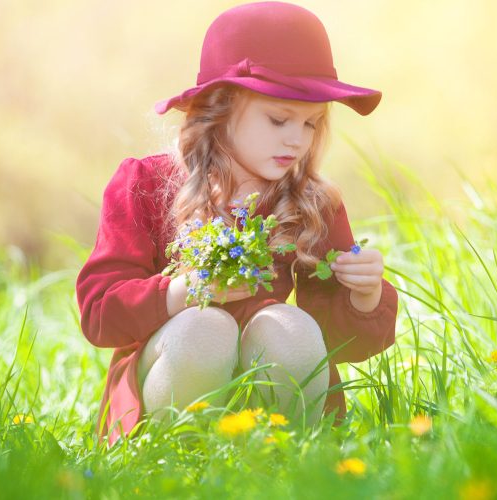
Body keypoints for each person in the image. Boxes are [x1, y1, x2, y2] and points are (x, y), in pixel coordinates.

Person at [76, 1, 399, 446]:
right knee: (207, 329)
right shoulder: (147, 183)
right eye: (279, 119)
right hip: (170, 383)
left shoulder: (313, 201)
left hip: (267, 399)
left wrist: (364, 295)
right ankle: (173, 459)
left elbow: (340, 342)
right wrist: (185, 291)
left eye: (311, 123)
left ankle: (285, 457)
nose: (297, 139)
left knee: (289, 327)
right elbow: (99, 313)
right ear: (220, 107)